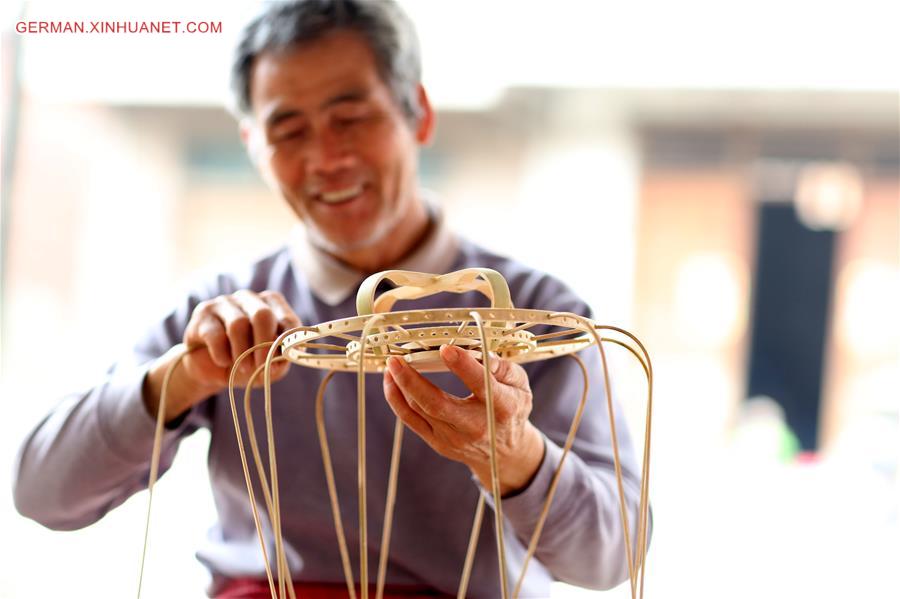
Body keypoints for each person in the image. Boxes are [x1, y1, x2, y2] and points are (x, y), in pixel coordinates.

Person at [12, 1, 647, 597]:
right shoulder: (224, 311)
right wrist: (181, 380)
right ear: (254, 146)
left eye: (352, 117)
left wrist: (512, 454)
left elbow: (614, 557)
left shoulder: (534, 315)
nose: (326, 157)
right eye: (288, 130)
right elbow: (41, 492)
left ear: (418, 114)